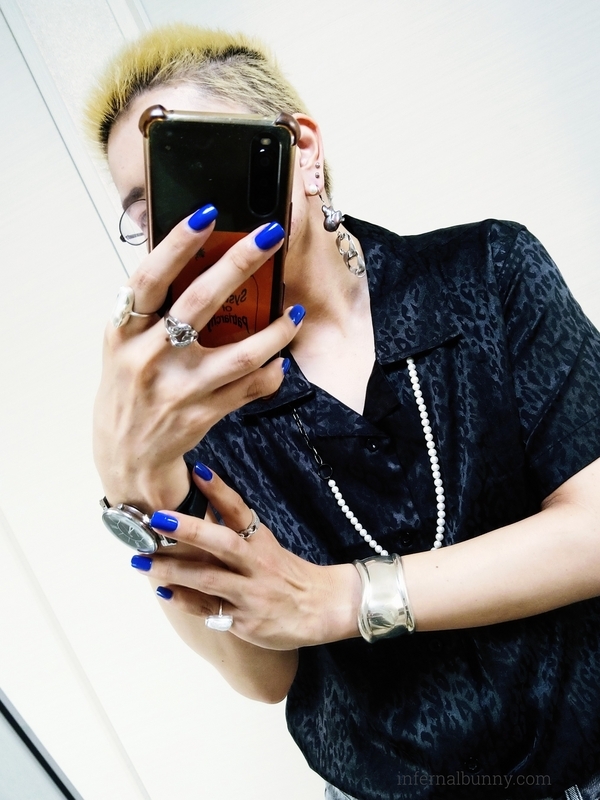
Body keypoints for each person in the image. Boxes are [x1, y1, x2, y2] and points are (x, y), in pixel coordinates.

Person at [86, 24, 600, 800]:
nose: (188, 227)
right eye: (149, 212)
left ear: (302, 149)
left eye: (199, 170)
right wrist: (133, 479)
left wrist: (342, 599)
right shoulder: (198, 414)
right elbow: (260, 675)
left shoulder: (487, 271)